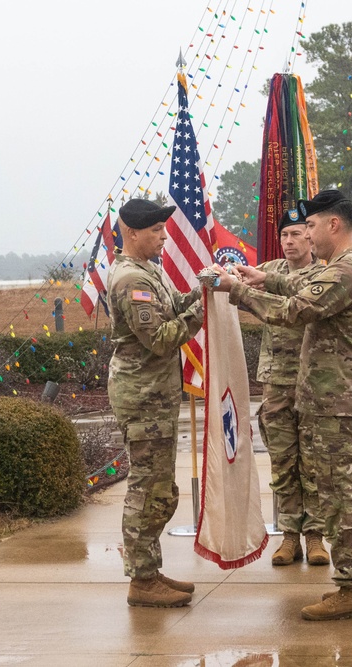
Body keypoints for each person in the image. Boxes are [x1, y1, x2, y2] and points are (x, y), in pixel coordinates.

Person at [211, 189, 352, 621]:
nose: (304, 234)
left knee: (341, 497)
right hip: (347, 401)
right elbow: (297, 282)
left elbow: (297, 308)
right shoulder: (348, 267)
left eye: (309, 226)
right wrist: (262, 277)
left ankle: (351, 589)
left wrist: (237, 290)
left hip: (337, 404)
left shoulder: (346, 271)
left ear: (333, 225)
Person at [107, 198, 202, 608]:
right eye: (156, 231)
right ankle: (141, 581)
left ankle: (149, 570)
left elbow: (175, 306)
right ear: (131, 233)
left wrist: (206, 289)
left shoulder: (149, 272)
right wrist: (203, 310)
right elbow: (161, 337)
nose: (164, 237)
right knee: (148, 490)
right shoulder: (131, 280)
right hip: (142, 399)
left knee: (160, 489)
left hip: (155, 397)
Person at [256, 209, 329, 567]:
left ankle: (316, 536)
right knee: (283, 462)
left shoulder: (323, 274)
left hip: (310, 382)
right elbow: (244, 289)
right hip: (276, 383)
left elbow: (294, 301)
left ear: (310, 238)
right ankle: (289, 536)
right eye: (284, 235)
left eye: (296, 234)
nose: (288, 242)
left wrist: (252, 287)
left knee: (312, 462)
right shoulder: (269, 270)